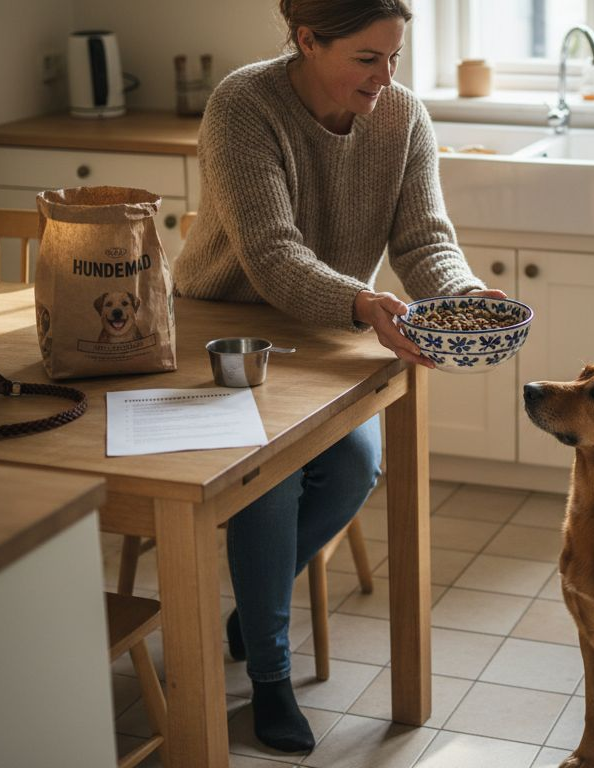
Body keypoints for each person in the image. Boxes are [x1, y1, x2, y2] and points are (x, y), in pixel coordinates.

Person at [173, 0, 504, 754]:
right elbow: (272, 254)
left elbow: (424, 238)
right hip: (225, 337)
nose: (385, 78)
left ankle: (252, 609)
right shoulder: (243, 106)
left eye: (395, 58)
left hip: (322, 330)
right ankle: (269, 675)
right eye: (366, 59)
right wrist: (359, 301)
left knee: (357, 465)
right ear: (307, 40)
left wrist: (462, 296)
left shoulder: (403, 118)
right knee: (273, 480)